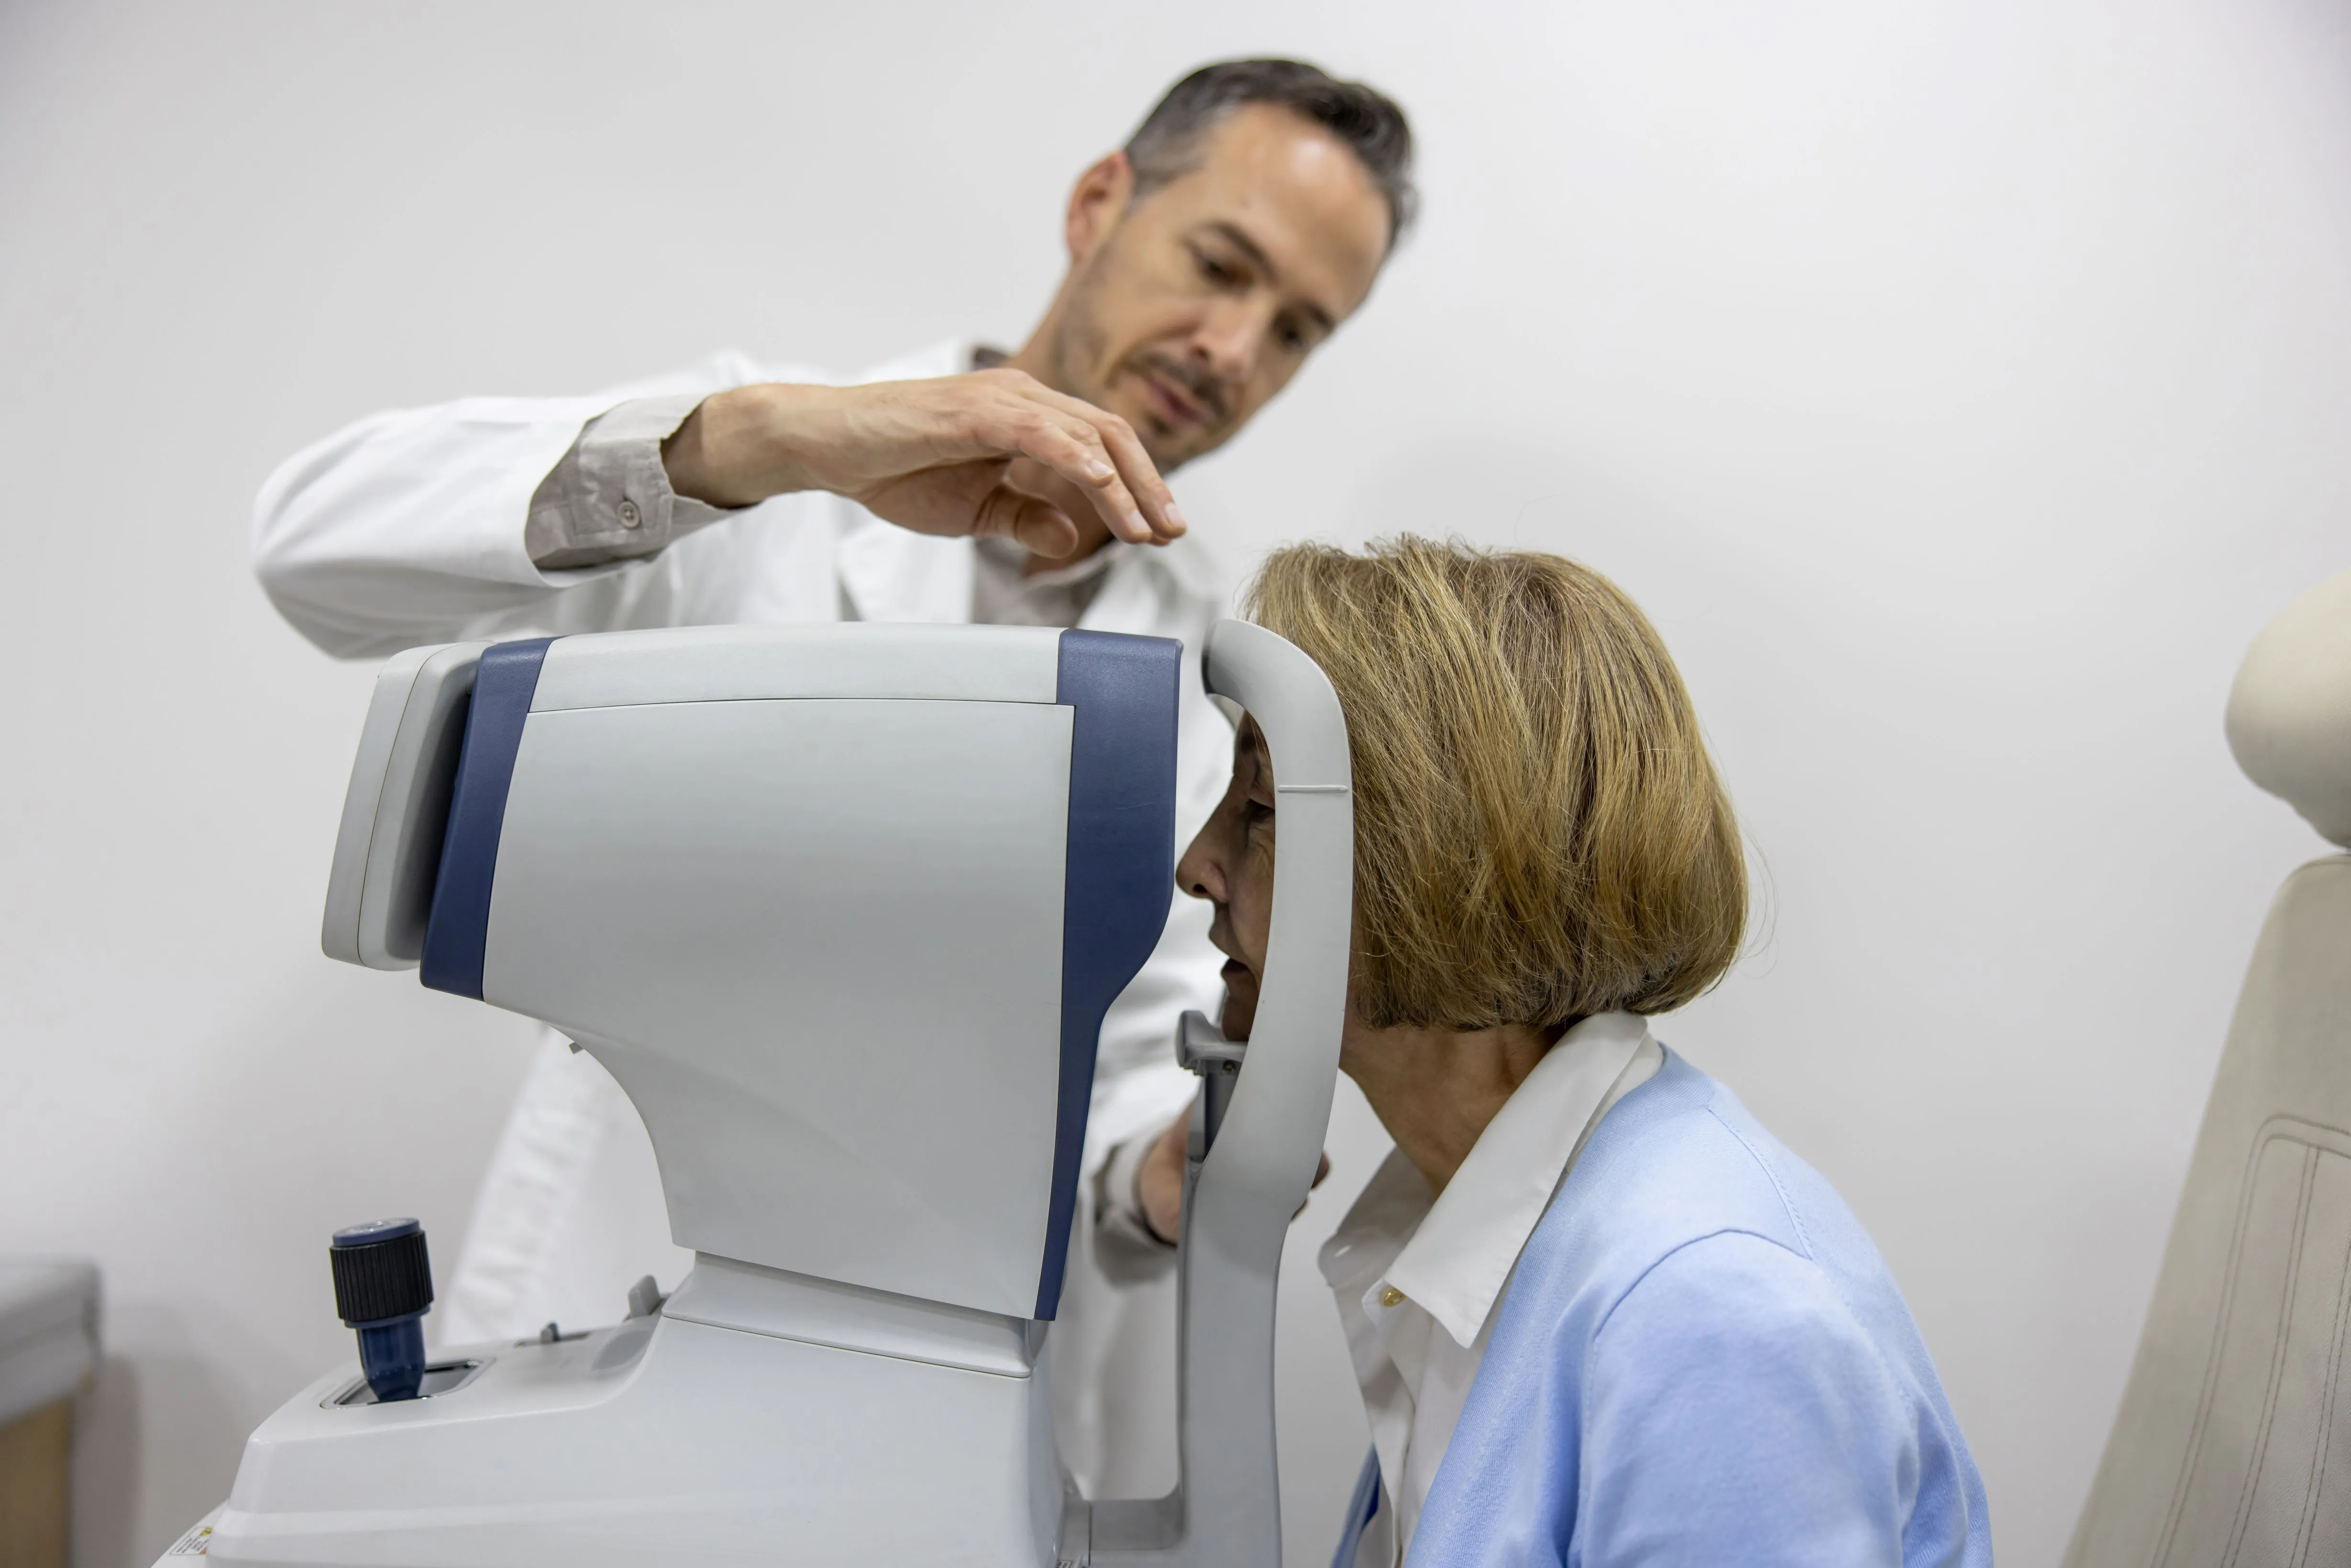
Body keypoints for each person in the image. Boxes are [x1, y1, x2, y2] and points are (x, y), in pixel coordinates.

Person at [250, 58, 1414, 1496]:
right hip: (622, 1308)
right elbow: (310, 550)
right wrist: (768, 444)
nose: (1233, 347)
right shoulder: (751, 477)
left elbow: (1124, 1065)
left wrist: (1158, 1176)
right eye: (1220, 264)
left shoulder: (1202, 665)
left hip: (948, 1417)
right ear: (1100, 202)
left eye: (1297, 327)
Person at [1172, 539, 1993, 1566]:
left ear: (1437, 855)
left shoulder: (1708, 1319)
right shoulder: (1469, 1228)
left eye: (1258, 810)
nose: (1196, 863)